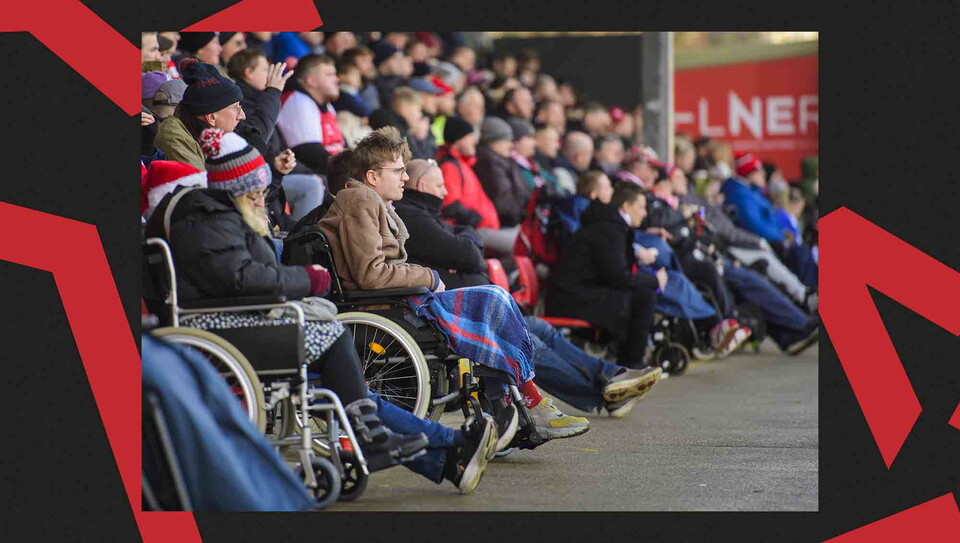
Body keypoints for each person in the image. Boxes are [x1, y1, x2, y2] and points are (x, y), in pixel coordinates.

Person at [146, 128, 498, 493]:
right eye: (257, 192)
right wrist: (306, 279)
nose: (262, 198)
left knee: (351, 391)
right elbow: (243, 277)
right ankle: (426, 443)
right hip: (228, 327)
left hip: (241, 319)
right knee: (335, 344)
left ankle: (447, 456)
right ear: (239, 188)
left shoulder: (217, 218)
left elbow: (245, 273)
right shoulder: (209, 222)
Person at [316, 127, 591, 445]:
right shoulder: (360, 200)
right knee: (493, 299)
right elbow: (370, 274)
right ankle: (526, 401)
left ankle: (518, 403)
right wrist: (428, 277)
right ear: (373, 176)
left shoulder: (369, 202)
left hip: (396, 299)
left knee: (495, 299)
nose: (405, 177)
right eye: (398, 170)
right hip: (382, 304)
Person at [397, 159, 662, 417]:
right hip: (452, 310)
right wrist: (467, 242)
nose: (445, 193)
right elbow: (469, 255)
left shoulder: (426, 215)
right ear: (422, 186)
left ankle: (608, 374)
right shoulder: (413, 216)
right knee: (527, 342)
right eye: (439, 186)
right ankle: (602, 392)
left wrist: (466, 241)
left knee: (541, 329)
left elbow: (469, 247)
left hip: (475, 305)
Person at [547, 182, 665, 369]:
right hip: (573, 299)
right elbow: (618, 277)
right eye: (641, 207)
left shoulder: (609, 226)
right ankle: (631, 365)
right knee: (644, 296)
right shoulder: (609, 230)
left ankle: (629, 363)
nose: (644, 213)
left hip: (576, 293)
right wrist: (655, 280)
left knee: (641, 294)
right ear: (626, 206)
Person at [276, 54, 345, 176]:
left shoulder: (326, 104)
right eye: (330, 75)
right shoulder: (297, 101)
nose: (337, 79)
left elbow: (341, 143)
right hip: (316, 175)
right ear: (311, 81)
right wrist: (349, 168)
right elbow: (308, 153)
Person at [474, 117, 530, 235]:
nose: (511, 145)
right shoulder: (488, 164)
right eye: (506, 140)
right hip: (501, 226)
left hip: (513, 223)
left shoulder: (504, 161)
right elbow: (503, 203)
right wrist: (520, 221)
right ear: (493, 142)